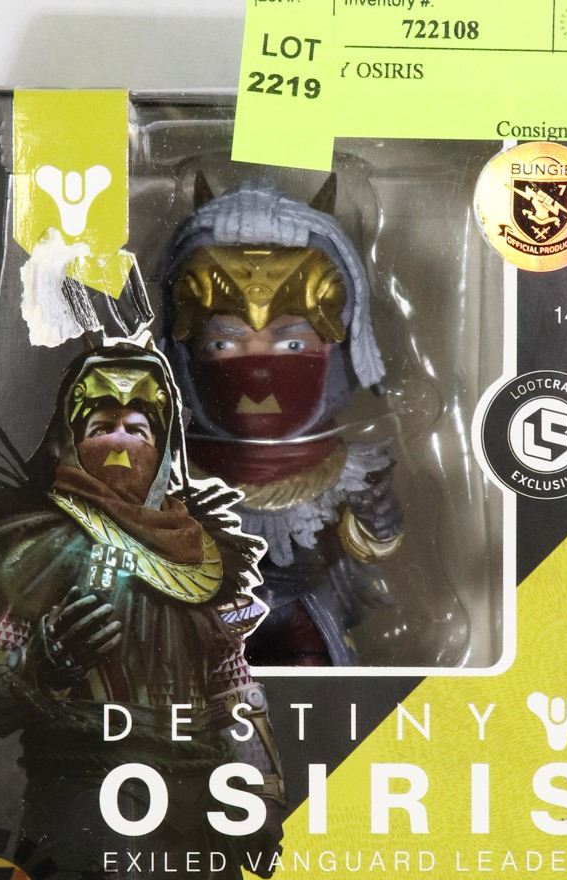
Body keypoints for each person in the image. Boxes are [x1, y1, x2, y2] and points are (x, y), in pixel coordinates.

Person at [0, 338, 285, 880]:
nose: (120, 441)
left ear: (163, 449)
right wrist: (37, 666)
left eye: (137, 429)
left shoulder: (203, 555)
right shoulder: (36, 548)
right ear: (69, 443)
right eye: (102, 426)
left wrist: (260, 793)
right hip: (81, 801)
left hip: (197, 807)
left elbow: (232, 687)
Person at [159, 175, 403, 667]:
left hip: (307, 618)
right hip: (206, 626)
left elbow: (371, 549)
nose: (258, 372)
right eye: (223, 343)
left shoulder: (346, 471)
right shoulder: (170, 473)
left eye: (292, 343)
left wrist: (377, 522)